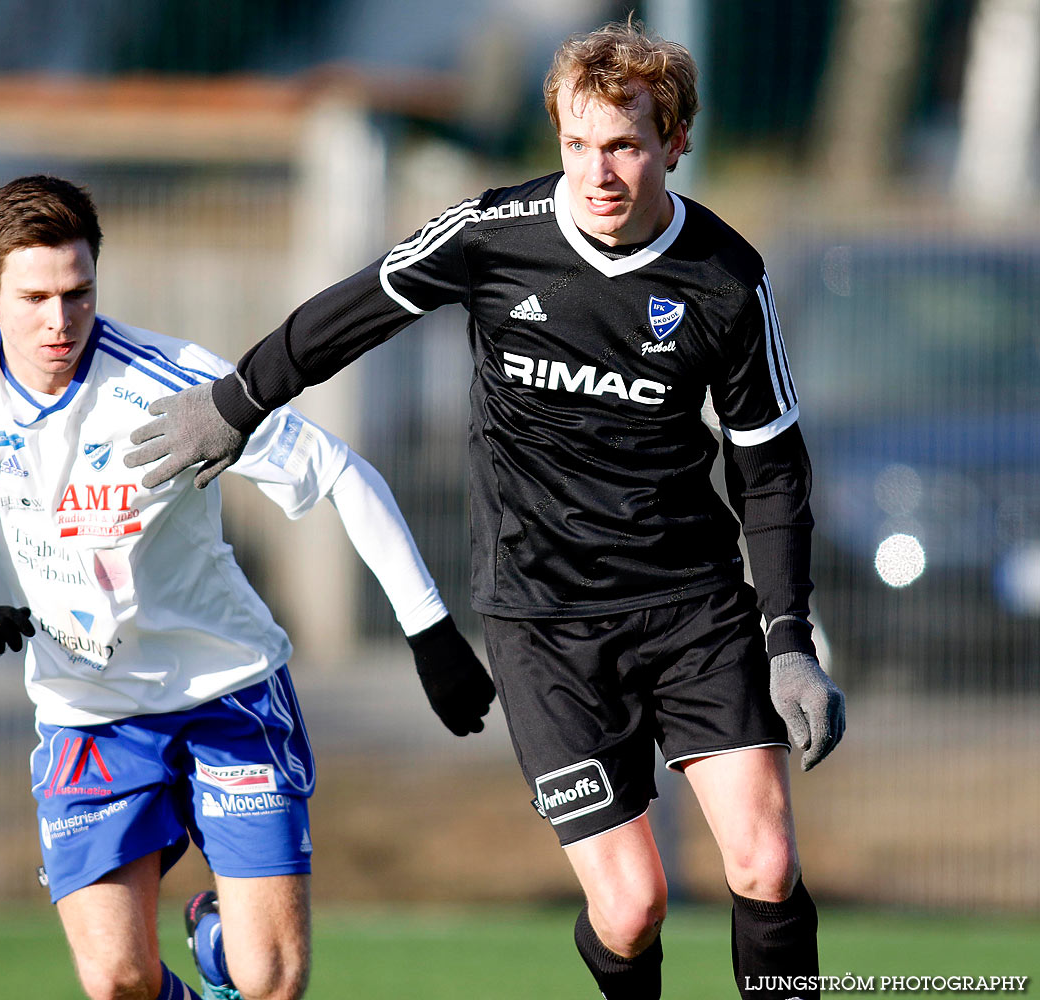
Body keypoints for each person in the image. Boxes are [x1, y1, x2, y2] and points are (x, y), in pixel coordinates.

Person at [124, 18, 846, 1000]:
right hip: (544, 620)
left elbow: (772, 469)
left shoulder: (724, 279)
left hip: (693, 605)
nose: (598, 170)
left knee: (763, 863)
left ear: (675, 143)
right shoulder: (495, 238)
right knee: (630, 908)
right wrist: (237, 401)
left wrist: (790, 636)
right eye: (578, 143)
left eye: (626, 145)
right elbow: (357, 307)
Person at [0, 174, 494, 1000]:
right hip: (89, 712)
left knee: (270, 982)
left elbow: (342, 475)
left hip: (228, 692)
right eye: (33, 297)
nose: (58, 321)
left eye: (78, 293)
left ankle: (224, 946)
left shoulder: (169, 382)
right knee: (118, 981)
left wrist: (429, 633)